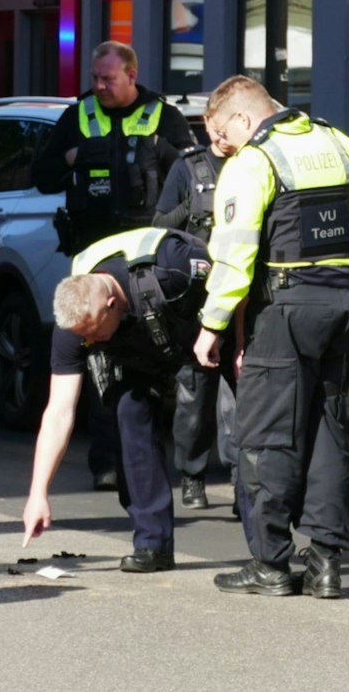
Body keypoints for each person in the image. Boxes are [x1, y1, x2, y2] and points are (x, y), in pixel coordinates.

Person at [191, 75, 349, 600]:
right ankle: (326, 562)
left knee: (267, 435)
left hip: (284, 310)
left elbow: (235, 253)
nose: (222, 147)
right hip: (341, 307)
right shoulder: (338, 143)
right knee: (327, 431)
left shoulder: (254, 161)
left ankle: (270, 562)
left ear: (242, 118)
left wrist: (213, 324)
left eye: (222, 134)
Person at [22, 227, 241, 572]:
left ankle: (272, 550)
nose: (89, 342)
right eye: (83, 338)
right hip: (140, 348)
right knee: (129, 417)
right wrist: (38, 493)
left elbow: (233, 285)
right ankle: (153, 546)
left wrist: (238, 344)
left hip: (201, 324)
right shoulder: (75, 325)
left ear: (111, 305)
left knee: (256, 419)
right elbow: (58, 412)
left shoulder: (174, 265)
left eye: (93, 333)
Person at [31, 41, 196, 491]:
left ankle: (182, 467)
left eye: (108, 79)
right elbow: (42, 174)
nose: (100, 86)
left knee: (166, 360)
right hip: (93, 260)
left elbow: (191, 178)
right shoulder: (78, 117)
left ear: (131, 75)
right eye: (95, 78)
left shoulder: (164, 117)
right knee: (99, 359)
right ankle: (105, 462)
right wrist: (76, 158)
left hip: (149, 261)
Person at [155, 135, 230, 511]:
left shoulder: (257, 161)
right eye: (217, 127)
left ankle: (243, 478)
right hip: (198, 293)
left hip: (245, 292)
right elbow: (160, 226)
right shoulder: (189, 167)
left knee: (241, 395)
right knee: (195, 391)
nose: (222, 136)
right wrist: (195, 205)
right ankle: (192, 475)